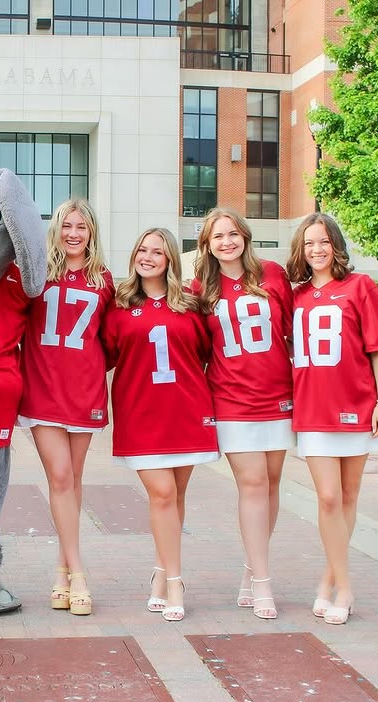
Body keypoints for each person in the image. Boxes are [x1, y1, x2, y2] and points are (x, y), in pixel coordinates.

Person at [103, 228, 218, 622]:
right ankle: (175, 581)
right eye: (142, 250)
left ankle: (159, 573)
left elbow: (206, 354)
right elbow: (104, 356)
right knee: (163, 493)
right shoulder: (119, 305)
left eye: (157, 251)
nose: (147, 257)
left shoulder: (191, 305)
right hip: (140, 415)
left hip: (186, 411)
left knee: (175, 497)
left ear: (169, 259)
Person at [286, 212, 378, 626]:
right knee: (328, 497)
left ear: (336, 246)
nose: (317, 249)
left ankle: (329, 581)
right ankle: (344, 588)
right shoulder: (295, 297)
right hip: (312, 409)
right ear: (301, 249)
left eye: (324, 242)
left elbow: (377, 350)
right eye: (309, 243)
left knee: (348, 497)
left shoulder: (360, 286)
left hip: (357, 405)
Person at [193, 208, 294, 620]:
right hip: (232, 399)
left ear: (245, 237)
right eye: (218, 236)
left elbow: (290, 330)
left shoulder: (272, 274)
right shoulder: (201, 289)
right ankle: (264, 582)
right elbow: (199, 349)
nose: (227, 242)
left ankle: (252, 569)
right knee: (252, 484)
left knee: (271, 485)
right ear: (207, 244)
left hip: (278, 396)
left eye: (233, 233)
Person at [18, 199, 113, 616]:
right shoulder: (36, 274)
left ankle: (61, 572)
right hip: (42, 388)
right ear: (55, 230)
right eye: (67, 226)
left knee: (73, 479)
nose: (74, 233)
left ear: (91, 233)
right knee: (59, 477)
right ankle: (79, 573)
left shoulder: (103, 279)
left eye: (82, 227)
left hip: (84, 391)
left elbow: (109, 341)